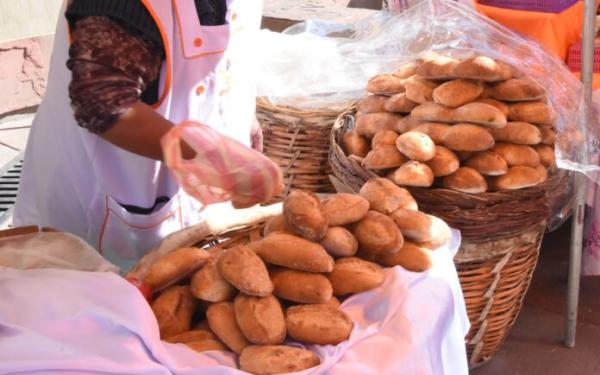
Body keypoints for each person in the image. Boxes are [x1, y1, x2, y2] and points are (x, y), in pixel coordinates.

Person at [13, 0, 265, 270]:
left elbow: (227, 50)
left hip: (187, 213)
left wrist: (240, 113)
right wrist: (209, 154)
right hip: (92, 223)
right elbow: (101, 101)